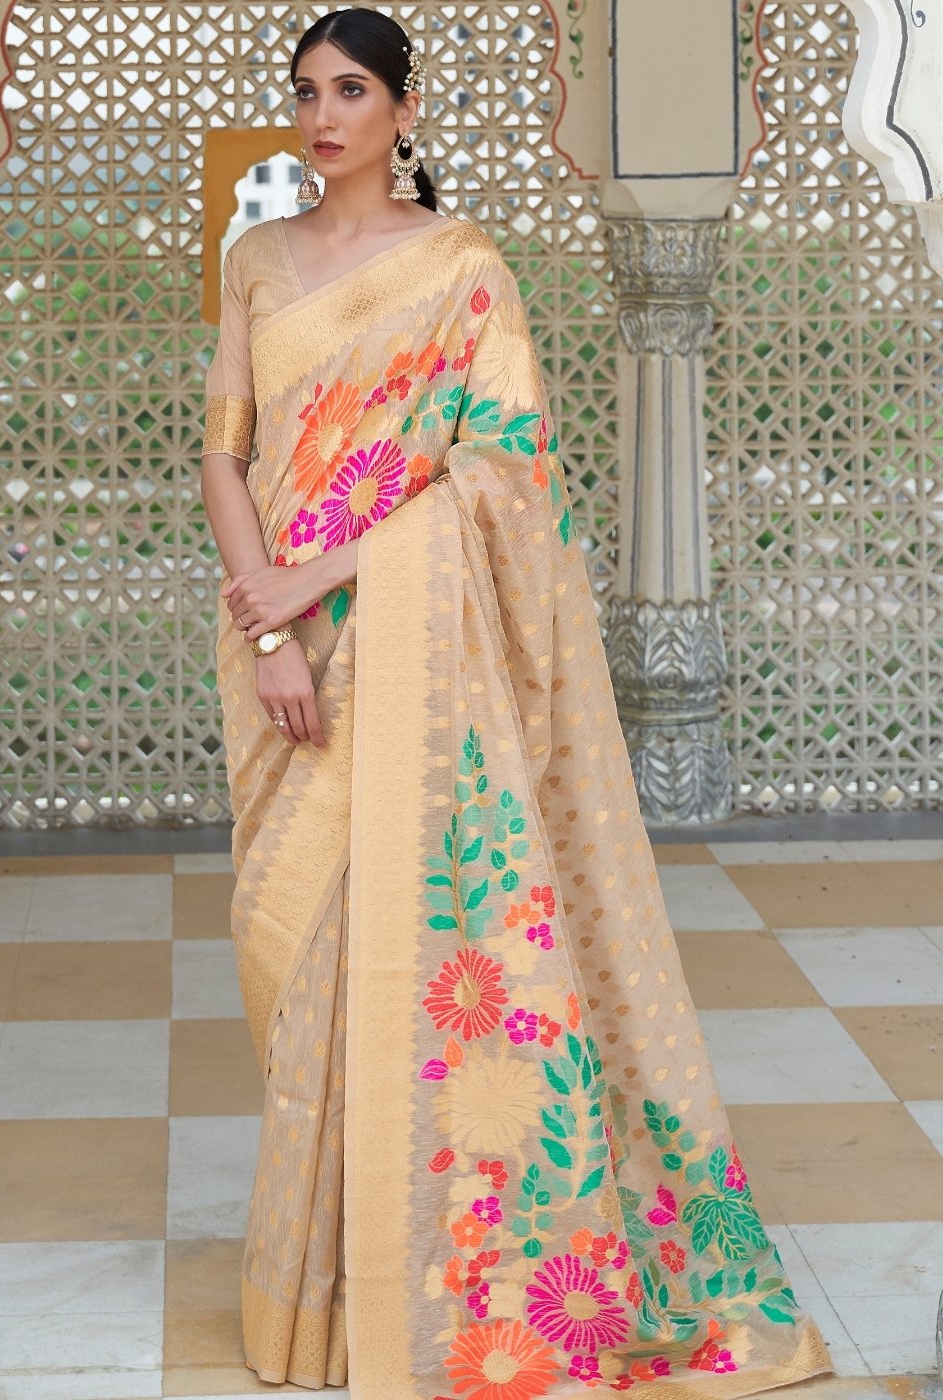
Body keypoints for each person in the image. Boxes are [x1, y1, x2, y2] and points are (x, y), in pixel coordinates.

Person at [199, 8, 833, 1396]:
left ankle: (424, 1291)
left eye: (350, 90)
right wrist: (272, 625)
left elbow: (505, 479)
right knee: (298, 974)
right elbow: (225, 457)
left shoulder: (464, 271)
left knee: (402, 958)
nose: (323, 116)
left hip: (416, 657)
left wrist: (323, 577)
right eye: (305, 91)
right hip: (280, 655)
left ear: (403, 109)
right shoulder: (257, 261)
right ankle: (318, 1293)